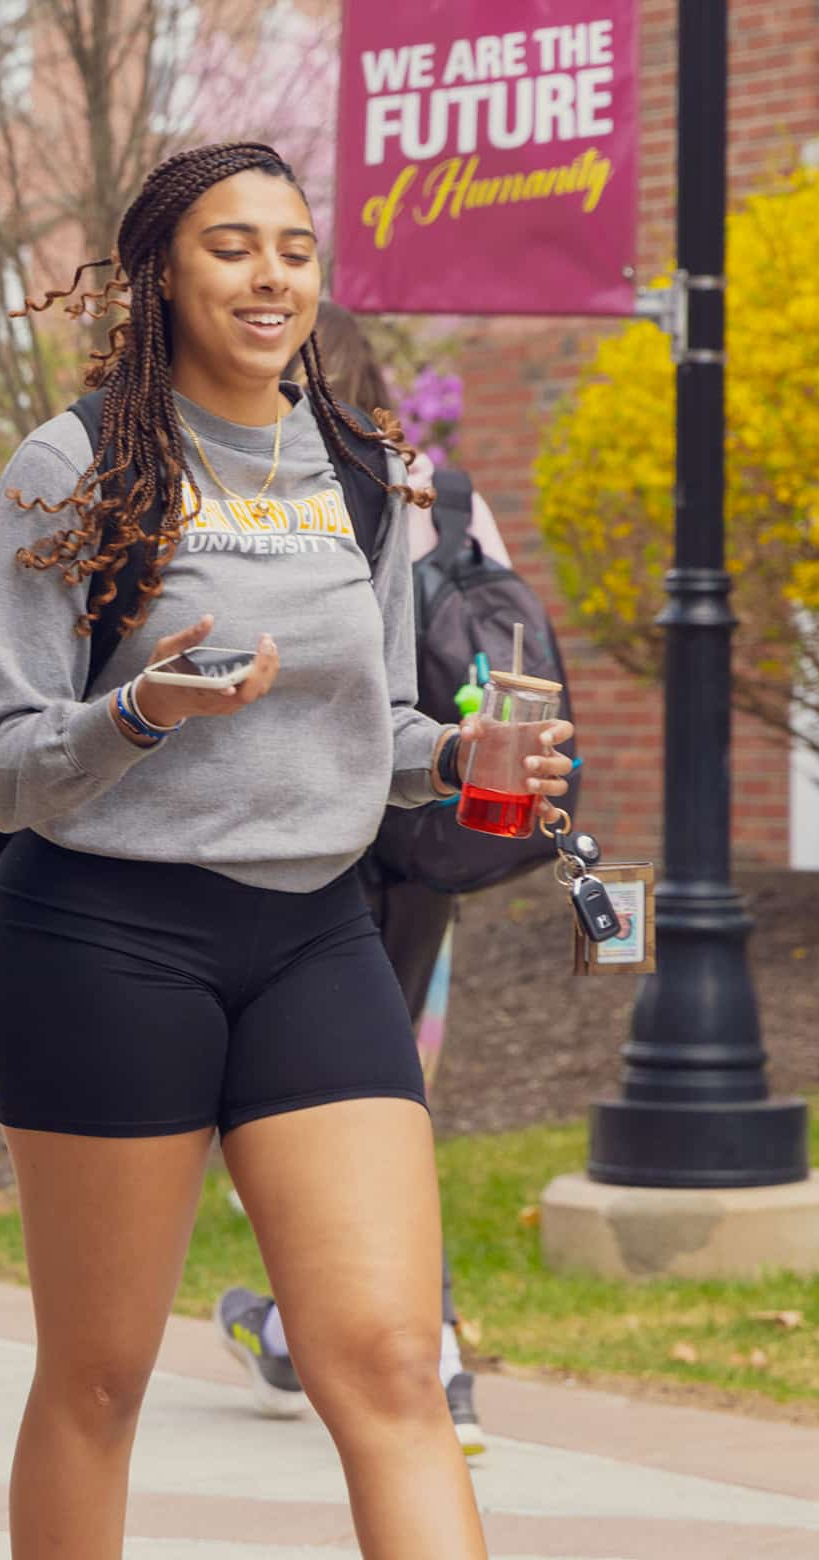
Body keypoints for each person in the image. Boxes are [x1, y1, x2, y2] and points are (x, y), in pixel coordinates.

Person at [0, 142, 570, 1560]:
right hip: (104, 941)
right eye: (232, 246)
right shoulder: (76, 463)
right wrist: (142, 714)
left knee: (393, 1366)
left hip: (315, 936)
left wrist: (457, 759)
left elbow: (375, 726)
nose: (271, 273)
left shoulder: (360, 466)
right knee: (101, 1378)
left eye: (293, 247)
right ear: (162, 275)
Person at [216, 301, 521, 1456]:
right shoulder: (445, 493)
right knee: (385, 1097)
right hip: (427, 842)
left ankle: (422, 1349)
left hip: (315, 835)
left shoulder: (291, 496)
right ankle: (319, 1334)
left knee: (307, 1102)